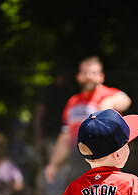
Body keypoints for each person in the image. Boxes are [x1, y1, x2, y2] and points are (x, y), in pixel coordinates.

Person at [44, 56, 132, 185]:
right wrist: (53, 164)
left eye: (93, 73)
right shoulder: (73, 102)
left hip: (106, 166)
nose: (89, 76)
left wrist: (110, 102)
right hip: (78, 165)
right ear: (79, 76)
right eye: (86, 73)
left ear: (101, 77)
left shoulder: (108, 94)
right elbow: (65, 136)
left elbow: (125, 100)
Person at [33, 66, 73, 161]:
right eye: (61, 76)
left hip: (65, 135)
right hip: (50, 136)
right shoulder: (48, 92)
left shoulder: (69, 92)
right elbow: (38, 115)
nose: (63, 79)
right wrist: (39, 138)